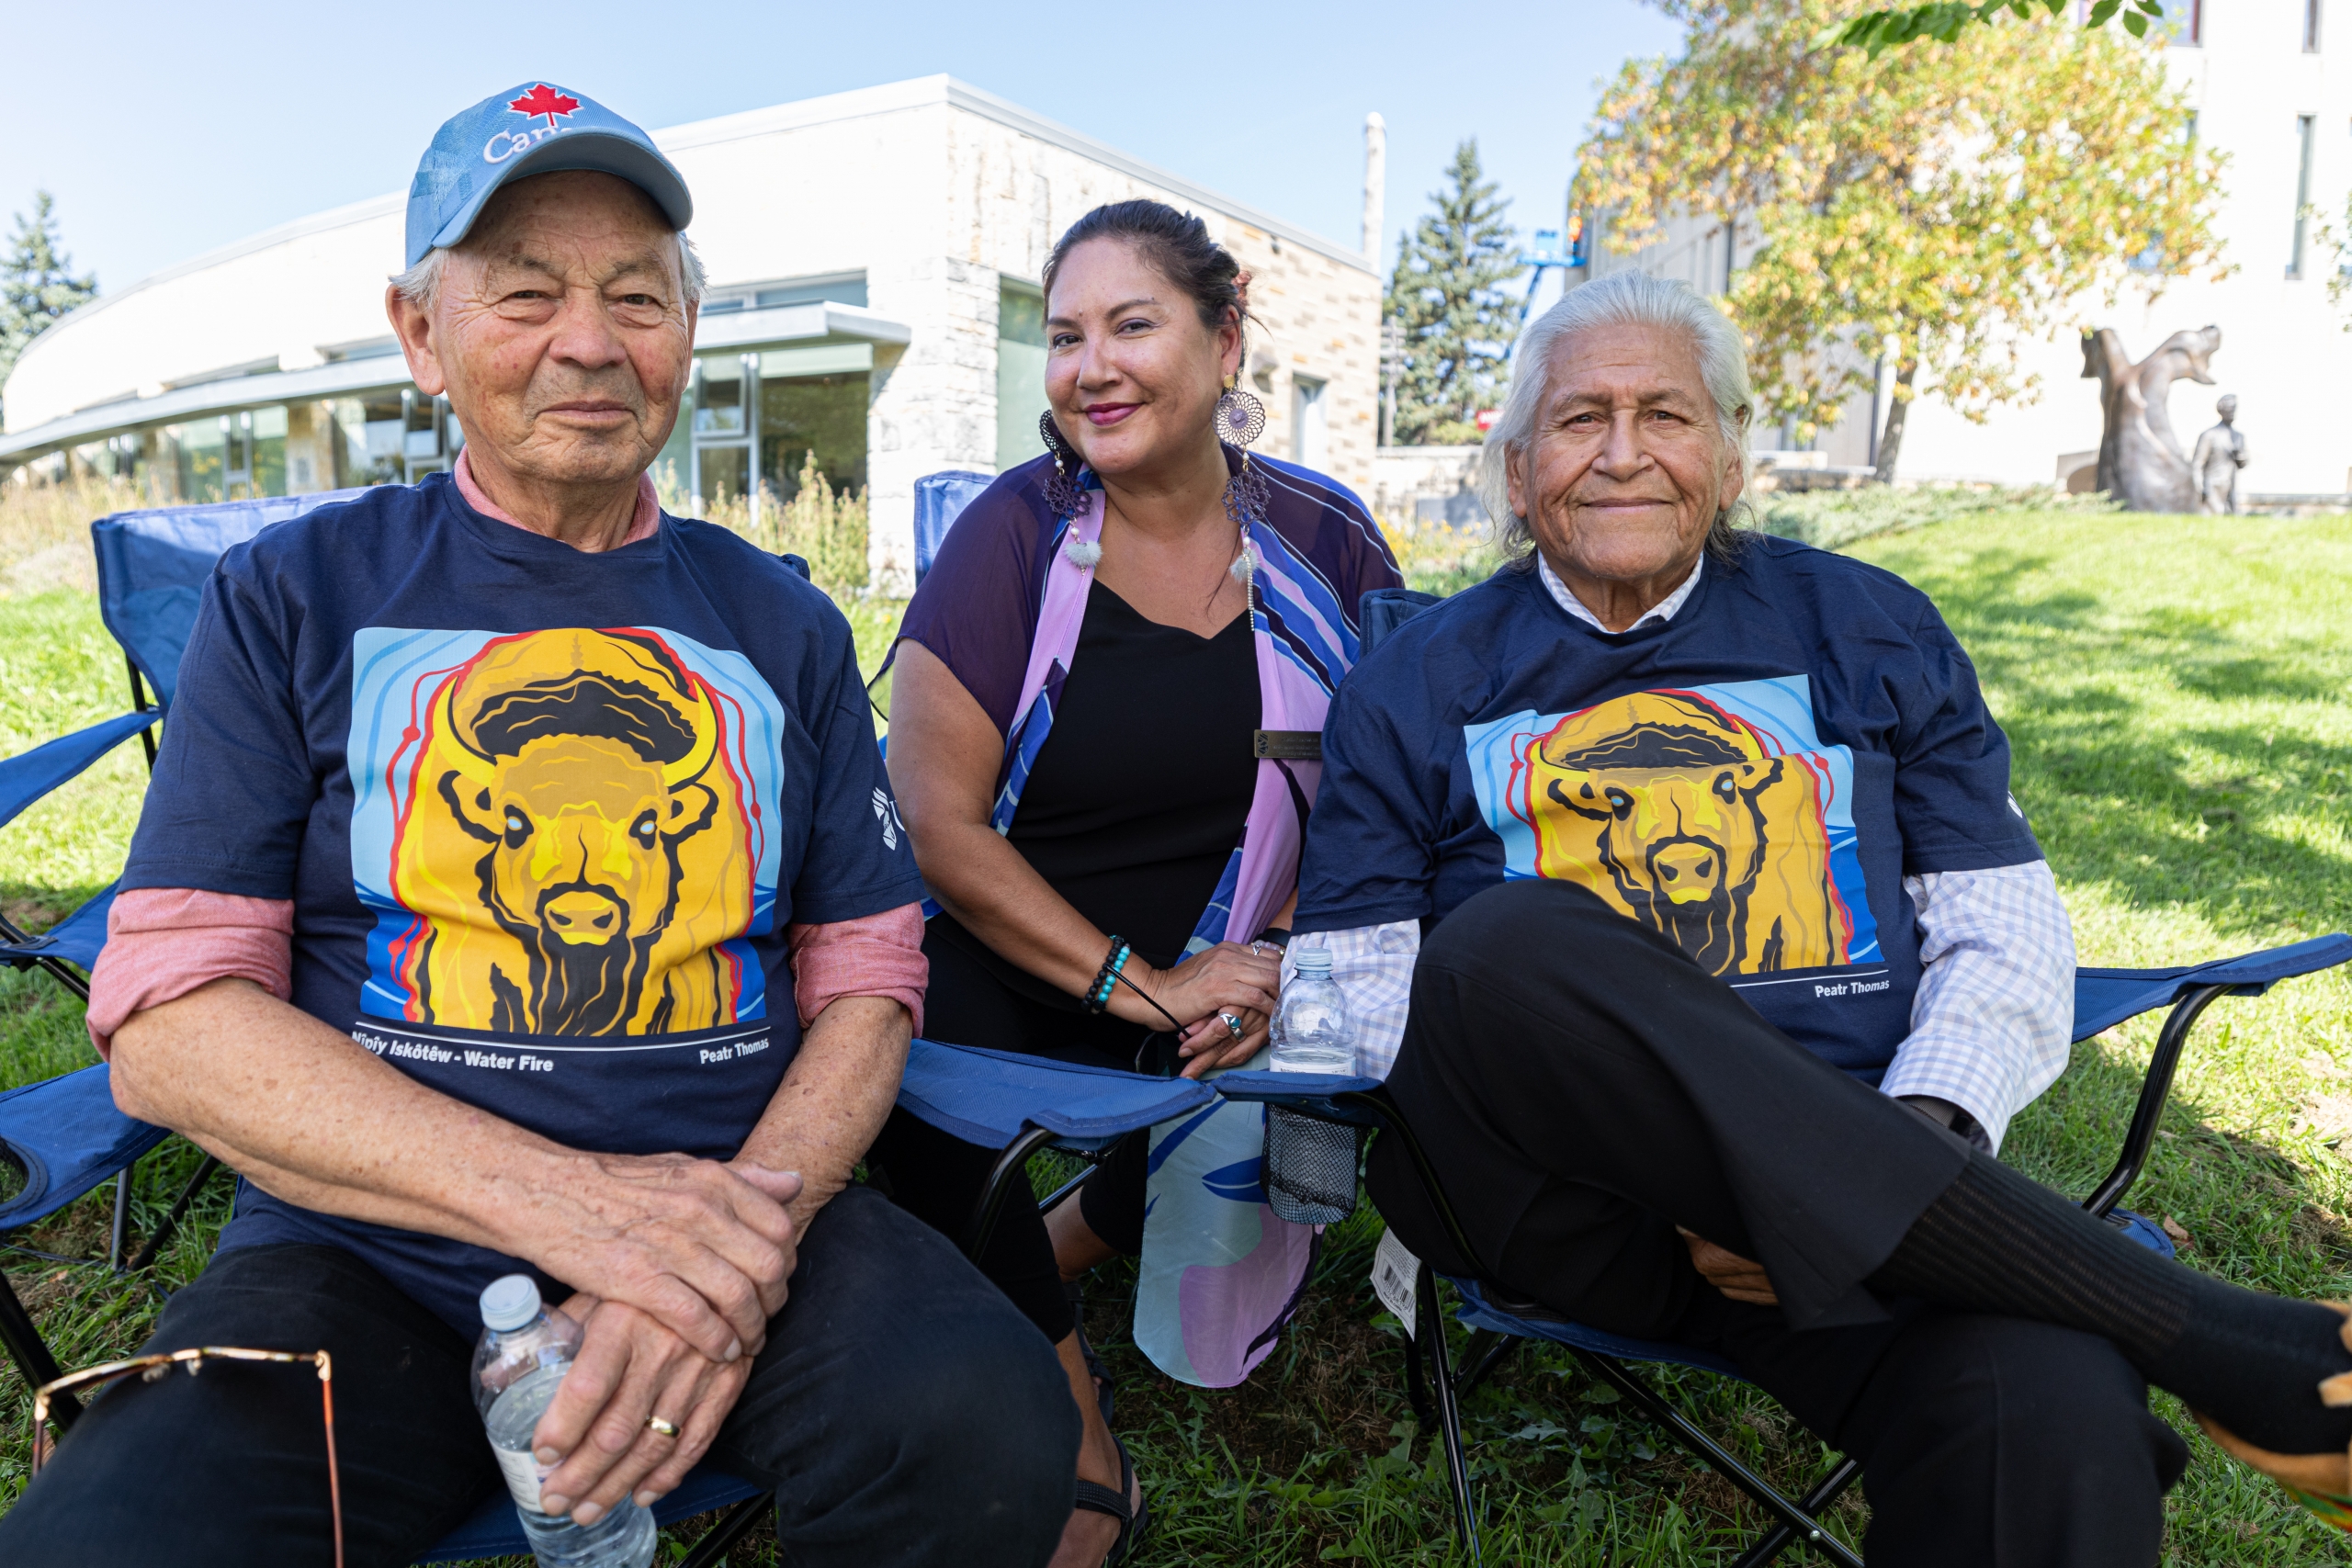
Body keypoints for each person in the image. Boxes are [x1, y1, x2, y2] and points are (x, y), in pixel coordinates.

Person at [0, 82, 1075, 1567]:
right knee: (114, 1541)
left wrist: (723, 1255)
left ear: (686, 333)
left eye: (638, 295)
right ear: (419, 334)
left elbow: (871, 981)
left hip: (741, 1198)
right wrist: (590, 1216)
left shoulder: (783, 625)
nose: (590, 340)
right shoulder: (294, 595)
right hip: (365, 1250)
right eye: (525, 294)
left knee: (983, 1427)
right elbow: (173, 1023)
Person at [1288, 269, 2352, 1563]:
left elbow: (2002, 930)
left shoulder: (1869, 629)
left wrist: (1906, 1135)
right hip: (1557, 1204)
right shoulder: (1415, 679)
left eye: (1665, 415)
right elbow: (1348, 993)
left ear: (1731, 457)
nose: (1621, 453)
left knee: (2050, 1395)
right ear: (1517, 473)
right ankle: (2218, 1338)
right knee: (1506, 948)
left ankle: (2035, 1287)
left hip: (1883, 1182)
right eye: (1577, 420)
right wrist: (1707, 1170)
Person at [877, 199, 1401, 1566]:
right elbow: (935, 824)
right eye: (1063, 337)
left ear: (1225, 343)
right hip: (1027, 953)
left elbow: (1394, 798)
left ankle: (1064, 1232)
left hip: (1251, 962)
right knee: (897, 1045)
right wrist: (1144, 984)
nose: (1089, 367)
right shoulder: (1011, 532)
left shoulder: (1329, 538)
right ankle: (1074, 1425)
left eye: (1130, 325)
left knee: (1349, 1035)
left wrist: (1273, 956)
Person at [2192, 393, 2248, 516]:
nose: (2232, 412)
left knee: (2230, 521)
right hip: (2212, 487)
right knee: (2212, 519)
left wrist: (2240, 456)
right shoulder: (2209, 435)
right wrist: (2200, 488)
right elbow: (2198, 464)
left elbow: (2243, 464)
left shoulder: (2238, 436)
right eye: (2229, 409)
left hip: (2230, 488)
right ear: (2222, 410)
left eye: (2234, 408)